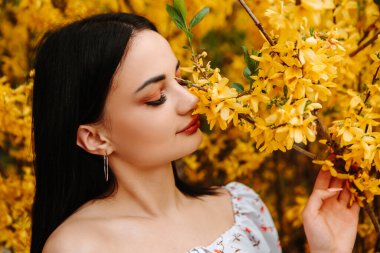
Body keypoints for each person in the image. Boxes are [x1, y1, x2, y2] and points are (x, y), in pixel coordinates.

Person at [31, 13, 360, 253]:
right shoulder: (80, 247)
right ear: (96, 138)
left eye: (181, 79)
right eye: (156, 97)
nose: (191, 100)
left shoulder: (242, 208)